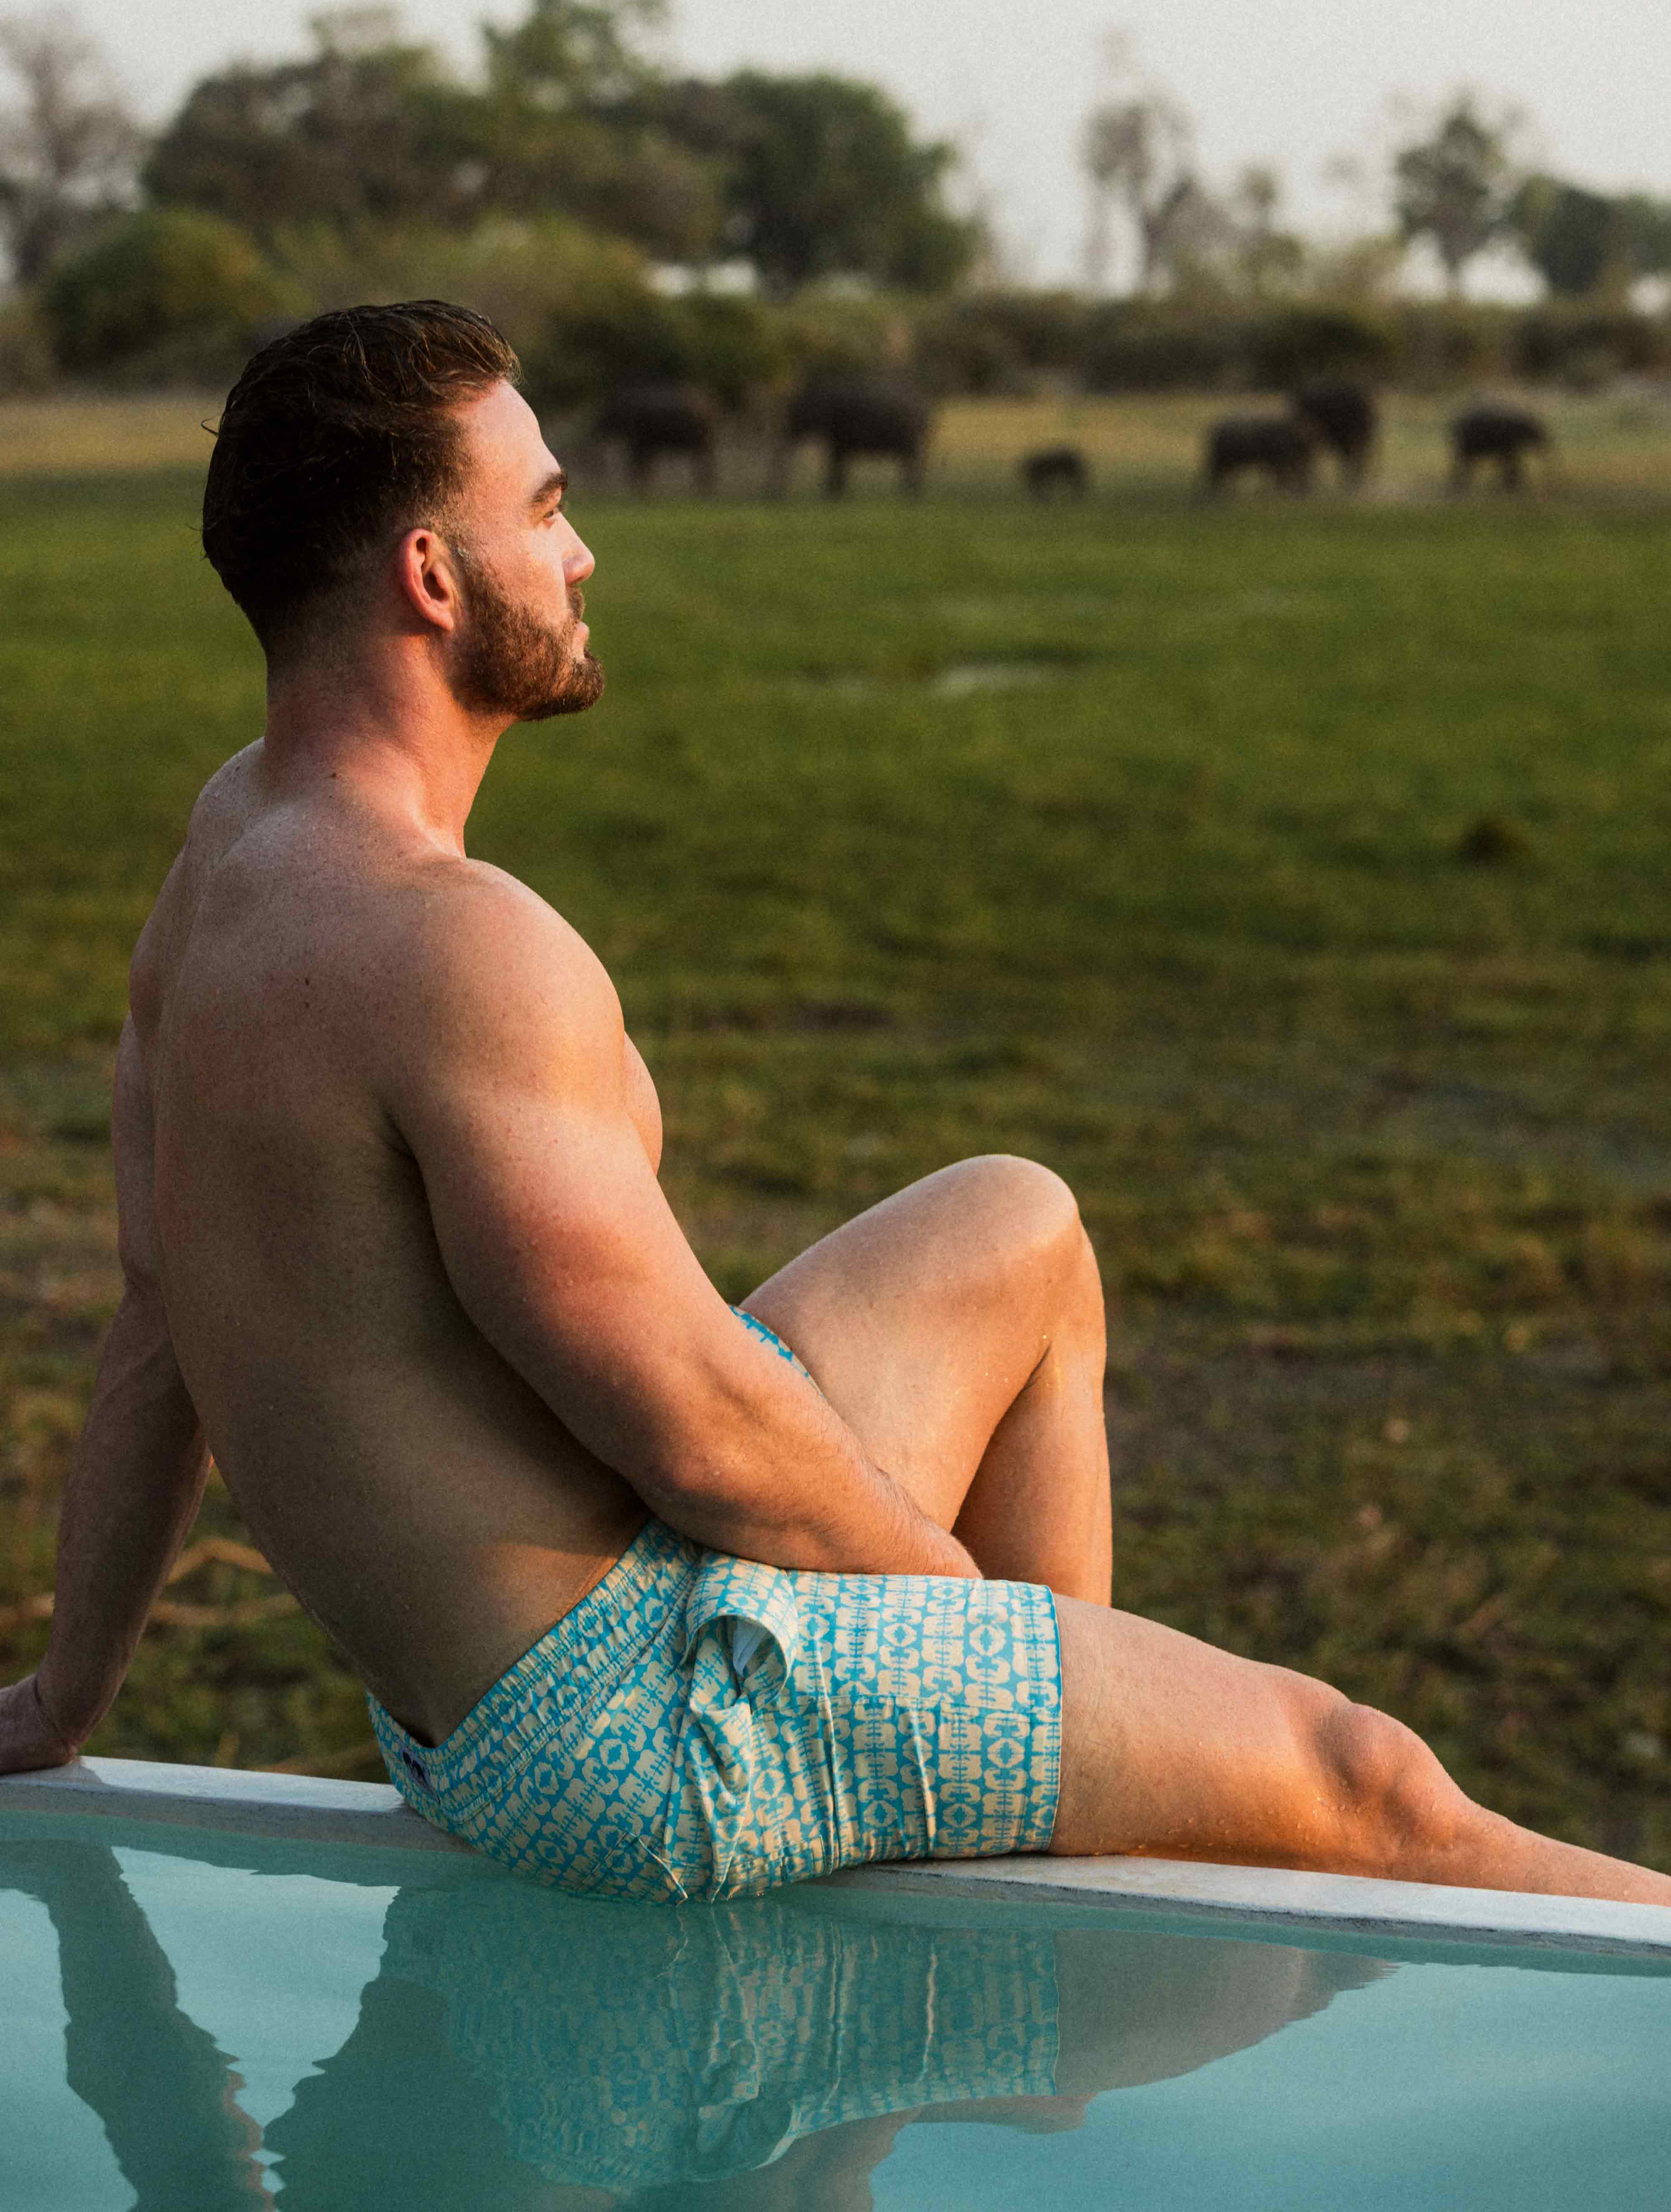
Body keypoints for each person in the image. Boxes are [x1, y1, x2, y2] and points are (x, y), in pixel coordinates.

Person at [1, 302, 1664, 1910]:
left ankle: (1044, 1847)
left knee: (1019, 1226)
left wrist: (61, 1699)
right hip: (631, 1729)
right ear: (431, 578)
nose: (581, 554)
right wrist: (962, 1631)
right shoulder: (454, 947)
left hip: (490, 1689)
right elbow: (698, 1430)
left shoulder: (231, 851)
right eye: (548, 509)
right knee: (1364, 1784)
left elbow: (162, 1313)